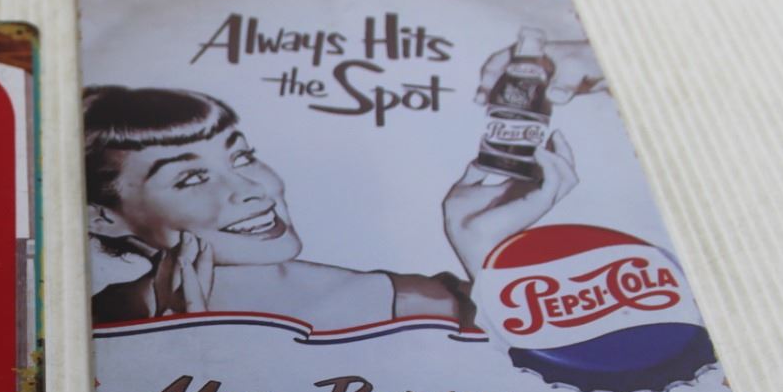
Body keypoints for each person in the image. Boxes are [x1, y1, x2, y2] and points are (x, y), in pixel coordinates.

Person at [83, 85, 579, 327]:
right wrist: (175, 350)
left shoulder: (412, 302)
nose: (254, 190)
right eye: (192, 177)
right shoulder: (93, 329)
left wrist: (482, 246)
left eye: (243, 156)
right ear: (102, 216)